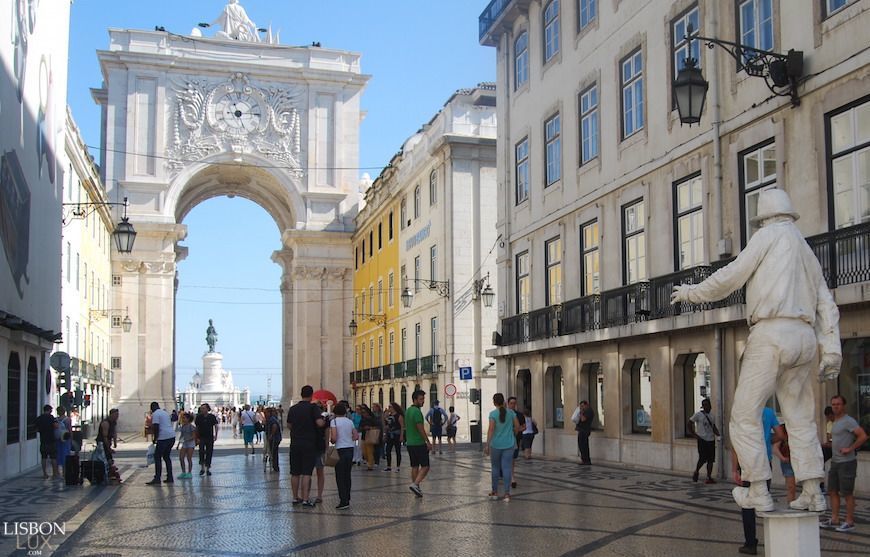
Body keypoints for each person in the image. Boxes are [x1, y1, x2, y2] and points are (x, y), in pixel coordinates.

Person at [671, 188, 842, 512]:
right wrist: (831, 349)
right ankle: (812, 491)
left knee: (744, 416)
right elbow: (826, 302)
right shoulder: (805, 249)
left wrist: (693, 293)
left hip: (771, 333)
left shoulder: (767, 237)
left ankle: (759, 489)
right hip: (804, 336)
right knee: (801, 418)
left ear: (763, 217)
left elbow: (731, 276)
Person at [732, 406, 783, 556]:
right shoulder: (768, 412)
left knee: (748, 504)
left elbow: (737, 443)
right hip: (765, 462)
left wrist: (735, 469)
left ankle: (750, 543)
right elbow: (780, 434)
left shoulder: (743, 411)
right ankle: (773, 540)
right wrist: (767, 441)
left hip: (748, 464)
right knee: (763, 500)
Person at [821, 394, 868, 532]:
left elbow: (863, 436)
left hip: (847, 463)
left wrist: (850, 448)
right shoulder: (835, 421)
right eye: (833, 404)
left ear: (843, 406)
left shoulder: (849, 421)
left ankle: (849, 521)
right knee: (832, 491)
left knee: (847, 493)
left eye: (838, 404)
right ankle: (835, 519)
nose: (835, 406)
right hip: (835, 462)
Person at [286, 385, 326, 507]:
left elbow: (289, 425)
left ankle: (294, 497)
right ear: (311, 394)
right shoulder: (313, 408)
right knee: (306, 472)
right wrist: (325, 420)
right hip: (309, 444)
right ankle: (305, 499)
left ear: (301, 394)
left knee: (295, 472)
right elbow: (319, 423)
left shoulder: (293, 409)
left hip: (295, 443)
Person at [485, 393, 522, 502]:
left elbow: (491, 429)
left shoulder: (493, 414)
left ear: (494, 402)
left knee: (495, 468)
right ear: (504, 402)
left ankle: (495, 492)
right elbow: (517, 426)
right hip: (509, 444)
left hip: (496, 444)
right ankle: (507, 494)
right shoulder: (511, 413)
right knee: (507, 468)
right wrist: (513, 434)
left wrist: (487, 444)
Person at [330, 402, 358, 510]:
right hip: (350, 449)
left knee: (340, 476)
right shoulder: (350, 421)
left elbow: (334, 437)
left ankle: (343, 500)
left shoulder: (334, 421)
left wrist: (332, 440)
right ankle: (348, 497)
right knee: (347, 475)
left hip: (340, 450)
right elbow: (355, 436)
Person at [405, 389, 433, 497]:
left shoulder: (408, 411)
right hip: (418, 443)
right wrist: (427, 441)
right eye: (421, 399)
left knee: (415, 466)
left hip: (410, 443)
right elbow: (420, 428)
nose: (423, 401)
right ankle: (415, 484)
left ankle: (416, 488)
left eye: (423, 399)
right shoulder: (417, 412)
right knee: (425, 466)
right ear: (415, 399)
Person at [688, 398, 720, 483]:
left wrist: (718, 435)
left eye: (707, 405)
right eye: (704, 405)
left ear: (710, 406)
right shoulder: (698, 415)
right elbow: (690, 422)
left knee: (711, 460)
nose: (706, 407)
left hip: (711, 440)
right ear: (702, 406)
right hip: (702, 440)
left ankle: (709, 477)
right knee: (702, 458)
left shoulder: (712, 416)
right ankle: (696, 471)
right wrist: (693, 434)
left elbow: (713, 427)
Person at [147, 402, 175, 485]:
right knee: (166, 457)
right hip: (171, 436)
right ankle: (170, 477)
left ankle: (157, 478)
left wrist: (155, 439)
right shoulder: (164, 413)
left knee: (157, 457)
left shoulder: (155, 414)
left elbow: (156, 427)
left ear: (152, 408)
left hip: (163, 437)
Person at [35, 404, 59, 479]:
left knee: (44, 457)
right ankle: (54, 474)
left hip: (43, 440)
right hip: (51, 440)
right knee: (53, 457)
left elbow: (36, 429)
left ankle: (45, 474)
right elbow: (56, 426)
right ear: (49, 410)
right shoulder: (51, 418)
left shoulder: (39, 418)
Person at [773, 423, 796, 502]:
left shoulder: (798, 429)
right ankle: (791, 503)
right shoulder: (783, 430)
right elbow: (775, 447)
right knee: (791, 487)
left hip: (797, 460)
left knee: (793, 487)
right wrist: (783, 458)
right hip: (788, 461)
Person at [507, 396, 524, 487]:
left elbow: (523, 426)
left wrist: (516, 431)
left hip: (515, 440)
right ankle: (510, 476)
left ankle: (511, 476)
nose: (513, 405)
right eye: (511, 403)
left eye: (514, 403)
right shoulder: (503, 414)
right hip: (504, 441)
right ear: (507, 403)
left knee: (512, 459)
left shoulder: (519, 415)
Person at [571, 400, 594, 465]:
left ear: (586, 405)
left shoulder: (589, 411)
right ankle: (584, 459)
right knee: (581, 445)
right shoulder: (585, 411)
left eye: (583, 406)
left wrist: (581, 413)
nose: (581, 407)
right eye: (581, 406)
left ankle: (586, 460)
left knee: (584, 446)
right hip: (581, 430)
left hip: (585, 430)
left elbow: (583, 419)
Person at [383, 402, 404, 472]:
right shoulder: (389, 416)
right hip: (389, 435)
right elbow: (386, 426)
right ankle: (388, 466)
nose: (389, 408)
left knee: (398, 450)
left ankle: (398, 467)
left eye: (390, 407)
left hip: (396, 435)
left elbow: (402, 426)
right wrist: (385, 434)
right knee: (388, 450)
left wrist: (401, 436)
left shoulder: (399, 416)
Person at [360, 406, 380, 470]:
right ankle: (369, 461)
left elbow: (377, 427)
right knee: (364, 452)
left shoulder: (372, 419)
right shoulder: (362, 419)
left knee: (369, 451)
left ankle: (370, 465)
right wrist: (363, 428)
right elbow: (359, 427)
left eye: (364, 412)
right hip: (363, 436)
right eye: (362, 412)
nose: (363, 414)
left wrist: (369, 428)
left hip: (370, 436)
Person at [177, 411, 196, 479]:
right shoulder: (183, 427)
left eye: (184, 418)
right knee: (181, 458)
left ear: (188, 419)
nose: (183, 419)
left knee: (189, 458)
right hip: (184, 443)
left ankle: (189, 472)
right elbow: (182, 436)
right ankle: (183, 472)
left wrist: (188, 439)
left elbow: (194, 436)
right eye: (183, 418)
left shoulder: (192, 427)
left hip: (190, 444)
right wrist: (178, 444)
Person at [266, 407, 282, 473]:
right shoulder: (273, 419)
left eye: (266, 412)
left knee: (274, 453)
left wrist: (271, 435)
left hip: (274, 439)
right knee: (274, 453)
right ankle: (275, 466)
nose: (265, 414)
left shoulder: (272, 419)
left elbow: (274, 426)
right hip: (276, 438)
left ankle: (275, 467)